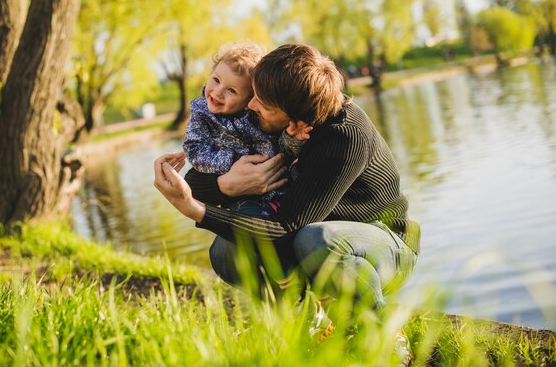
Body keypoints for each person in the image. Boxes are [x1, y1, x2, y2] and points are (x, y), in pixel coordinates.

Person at [154, 44, 420, 364]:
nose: (251, 105)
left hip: (383, 246)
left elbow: (285, 226)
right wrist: (228, 185)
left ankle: (382, 333)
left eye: (262, 103)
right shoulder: (280, 122)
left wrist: (197, 211)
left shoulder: (343, 137)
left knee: (315, 240)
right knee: (226, 251)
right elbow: (198, 181)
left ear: (292, 118)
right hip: (316, 239)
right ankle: (310, 323)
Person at [183, 42, 310, 215]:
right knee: (247, 215)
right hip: (242, 192)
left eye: (232, 91)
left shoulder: (256, 116)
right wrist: (232, 163)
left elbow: (281, 149)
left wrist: (293, 138)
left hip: (279, 185)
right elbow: (194, 149)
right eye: (216, 80)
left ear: (250, 99)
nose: (218, 92)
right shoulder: (201, 114)